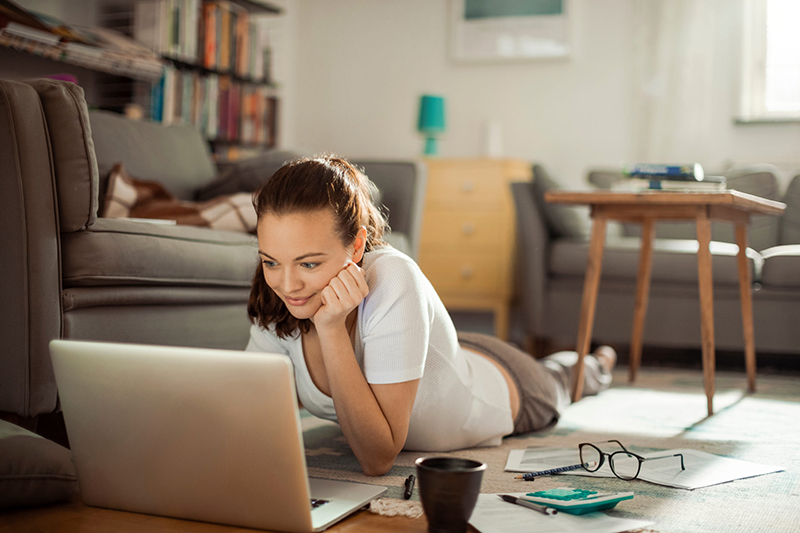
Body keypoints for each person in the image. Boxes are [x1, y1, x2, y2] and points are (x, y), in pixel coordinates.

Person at [245, 155, 615, 476]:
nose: (288, 284)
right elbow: (249, 418)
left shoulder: (392, 278)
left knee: (567, 378)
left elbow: (378, 458)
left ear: (356, 246)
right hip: (437, 353)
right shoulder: (277, 297)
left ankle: (597, 361)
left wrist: (331, 330)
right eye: (271, 261)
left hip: (507, 384)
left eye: (309, 263)